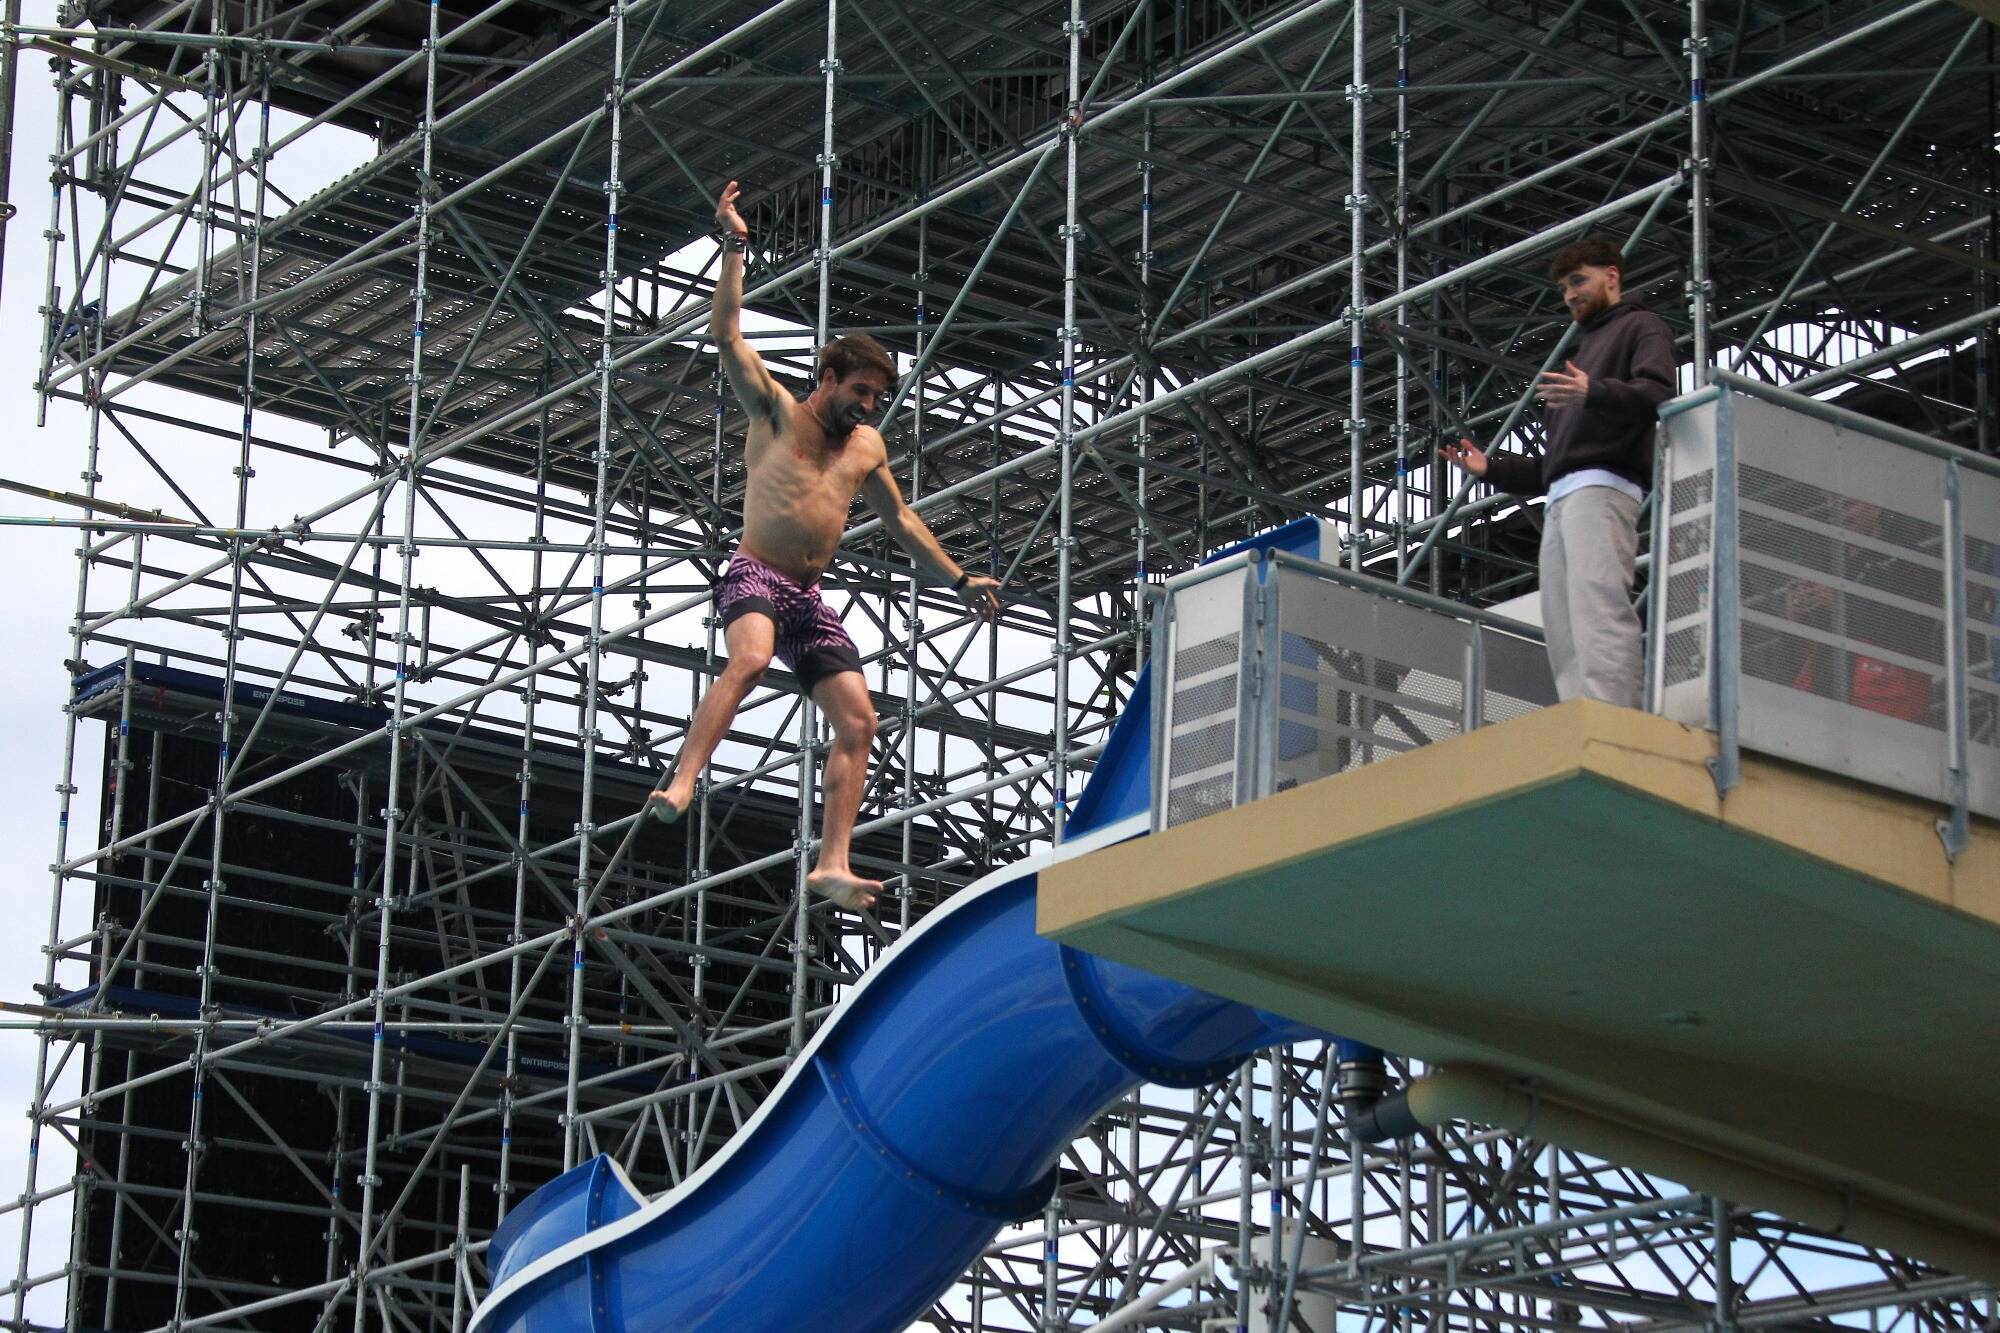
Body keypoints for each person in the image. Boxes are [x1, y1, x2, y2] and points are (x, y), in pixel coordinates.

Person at [647, 180, 1002, 911]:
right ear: (828, 378)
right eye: (862, 392)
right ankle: (684, 776)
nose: (870, 408)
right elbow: (726, 335)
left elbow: (902, 522)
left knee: (861, 720)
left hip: (806, 597)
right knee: (747, 659)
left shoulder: (865, 447)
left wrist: (959, 577)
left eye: (878, 398)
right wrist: (734, 247)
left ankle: (831, 861)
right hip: (755, 572)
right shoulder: (775, 414)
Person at [1439, 236, 1676, 708]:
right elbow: (1555, 467)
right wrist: (1493, 469)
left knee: (1597, 603)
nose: (1569, 294)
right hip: (1567, 495)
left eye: (1578, 280)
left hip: (1605, 487)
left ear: (1612, 276)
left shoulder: (1642, 326)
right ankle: (1581, 711)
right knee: (1563, 617)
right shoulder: (1584, 353)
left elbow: (1658, 395)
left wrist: (1596, 393)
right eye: (1565, 286)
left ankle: (1613, 712)